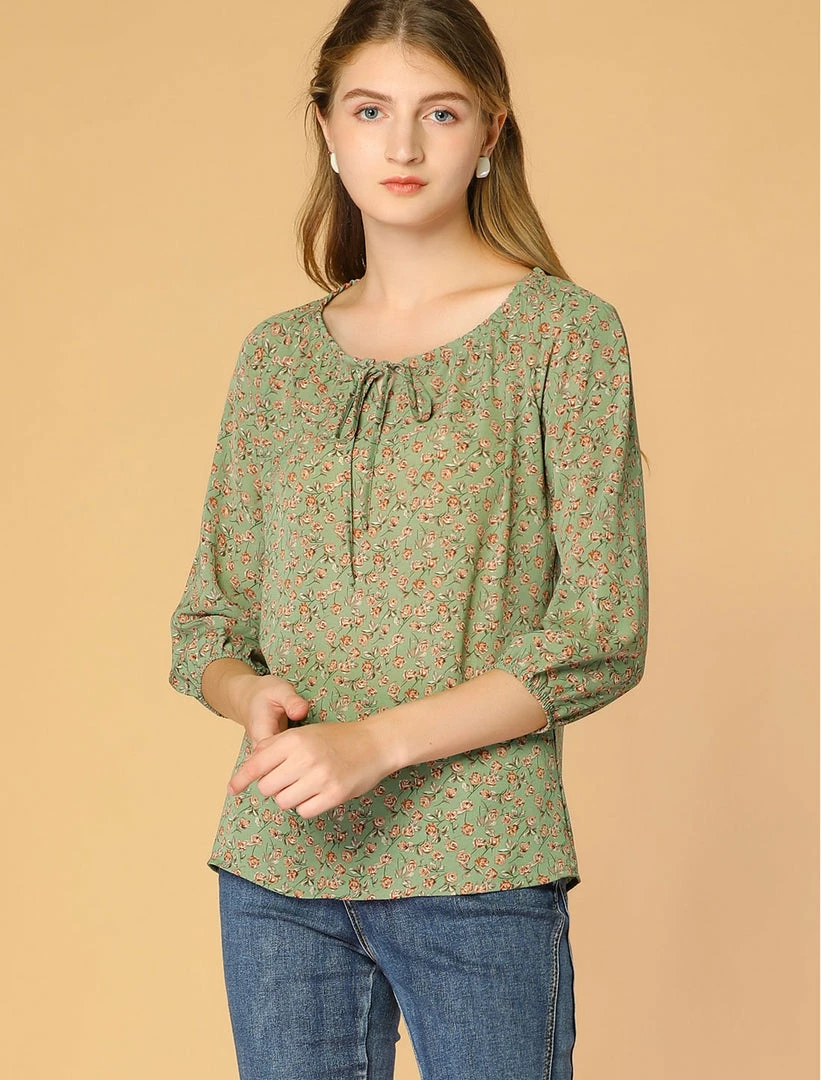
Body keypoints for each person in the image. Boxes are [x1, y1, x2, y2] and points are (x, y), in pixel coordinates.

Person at [168, 1, 650, 1077]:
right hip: (278, 869)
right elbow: (207, 622)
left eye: (438, 112)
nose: (401, 145)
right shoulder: (277, 359)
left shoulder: (563, 336)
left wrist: (374, 744)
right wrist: (248, 696)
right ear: (328, 129)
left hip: (478, 861)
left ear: (489, 131)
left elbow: (599, 632)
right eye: (368, 110)